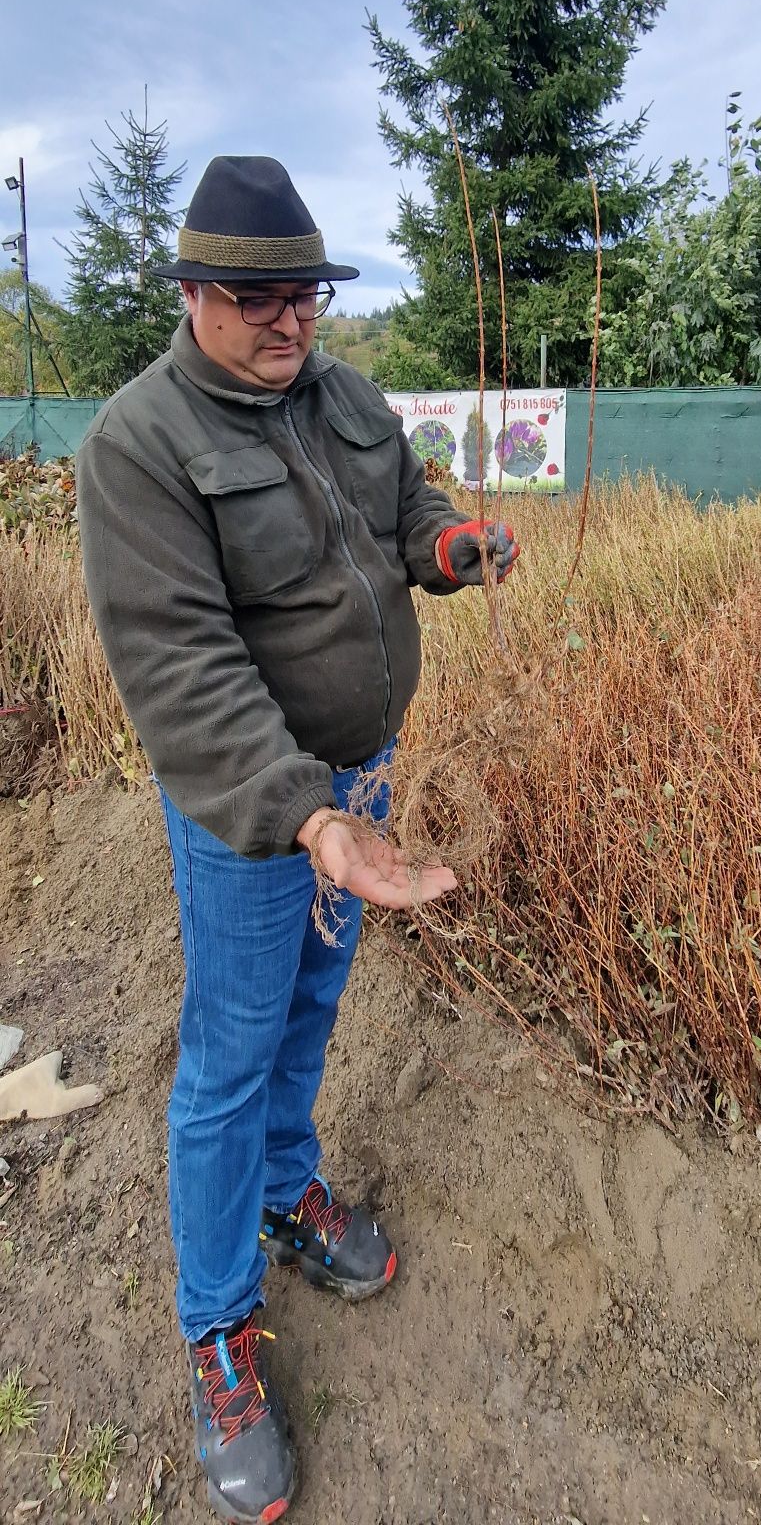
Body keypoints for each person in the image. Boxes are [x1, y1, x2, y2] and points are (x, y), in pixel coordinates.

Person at [76, 155, 519, 1525]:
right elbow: (185, 669)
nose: (292, 325)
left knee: (315, 1003)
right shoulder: (136, 446)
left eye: (308, 298)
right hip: (255, 811)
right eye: (261, 302)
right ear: (196, 295)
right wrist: (310, 819)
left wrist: (446, 548)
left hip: (360, 776)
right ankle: (216, 1327)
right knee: (229, 1046)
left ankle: (288, 1192)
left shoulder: (337, 393)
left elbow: (401, 510)